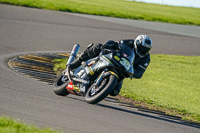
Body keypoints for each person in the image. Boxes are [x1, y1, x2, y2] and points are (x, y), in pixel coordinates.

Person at [68, 35, 153, 96]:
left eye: (146, 49)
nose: (143, 51)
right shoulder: (128, 42)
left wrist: (133, 73)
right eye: (142, 48)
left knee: (114, 92)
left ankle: (97, 87)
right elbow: (115, 44)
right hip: (114, 60)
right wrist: (108, 46)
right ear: (137, 44)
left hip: (123, 70)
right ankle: (77, 62)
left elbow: (140, 73)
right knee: (98, 47)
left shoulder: (146, 59)